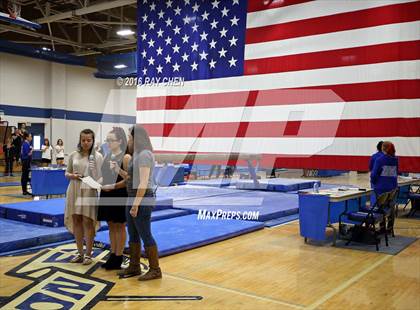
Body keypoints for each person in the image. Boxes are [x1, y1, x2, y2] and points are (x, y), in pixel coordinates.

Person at [118, 125, 161, 280]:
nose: (128, 140)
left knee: (145, 233)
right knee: (133, 234)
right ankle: (134, 266)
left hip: (142, 198)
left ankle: (155, 269)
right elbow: (130, 178)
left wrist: (136, 204)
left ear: (137, 139)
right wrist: (118, 170)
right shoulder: (136, 154)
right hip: (132, 196)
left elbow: (143, 183)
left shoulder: (144, 155)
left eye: (130, 137)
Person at [65, 129, 103, 265]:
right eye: (83, 140)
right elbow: (67, 173)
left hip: (89, 189)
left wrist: (95, 183)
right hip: (74, 188)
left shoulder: (98, 156)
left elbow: (101, 176)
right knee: (76, 220)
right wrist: (73, 176)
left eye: (89, 140)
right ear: (80, 140)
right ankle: (80, 252)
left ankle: (88, 254)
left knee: (88, 220)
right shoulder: (73, 155)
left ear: (93, 141)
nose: (86, 143)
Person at [97, 127, 129, 270]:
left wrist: (114, 185)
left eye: (111, 140)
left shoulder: (126, 157)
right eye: (107, 140)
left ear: (120, 141)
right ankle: (113, 253)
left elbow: (129, 179)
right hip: (107, 192)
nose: (108, 143)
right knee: (111, 225)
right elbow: (104, 174)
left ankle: (119, 256)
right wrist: (98, 181)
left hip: (119, 193)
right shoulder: (107, 155)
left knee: (120, 225)